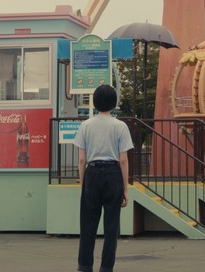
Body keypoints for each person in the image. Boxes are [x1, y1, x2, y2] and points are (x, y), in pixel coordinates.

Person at [74, 85, 133, 272]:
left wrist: (83, 185)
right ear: (114, 103)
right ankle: (106, 268)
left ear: (95, 102)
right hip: (113, 174)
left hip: (91, 173)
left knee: (88, 226)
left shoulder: (86, 125)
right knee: (111, 227)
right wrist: (125, 189)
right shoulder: (120, 126)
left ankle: (85, 266)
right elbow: (123, 160)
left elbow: (82, 159)